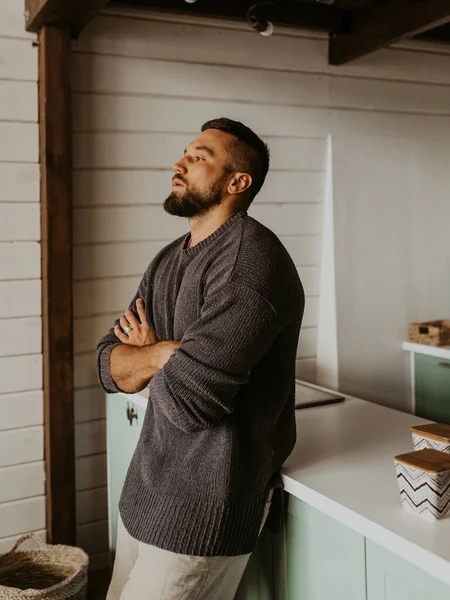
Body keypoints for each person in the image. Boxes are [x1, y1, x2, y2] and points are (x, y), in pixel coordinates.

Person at [97, 118, 305, 599]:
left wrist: (147, 359)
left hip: (205, 511)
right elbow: (107, 363)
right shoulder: (169, 258)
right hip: (145, 495)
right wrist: (166, 355)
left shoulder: (250, 263)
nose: (180, 162)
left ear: (237, 182)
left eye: (199, 156)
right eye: (185, 152)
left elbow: (193, 406)